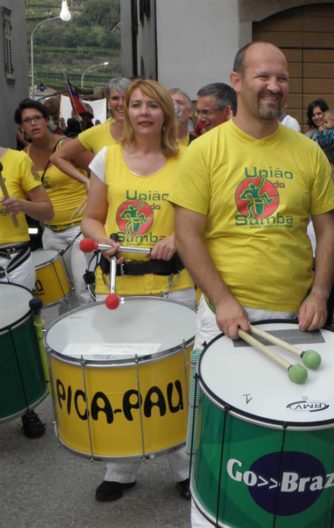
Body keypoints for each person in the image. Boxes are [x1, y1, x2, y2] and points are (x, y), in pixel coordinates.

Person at [169, 42, 334, 525]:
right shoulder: (204, 151)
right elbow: (187, 234)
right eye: (263, 76)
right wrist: (221, 301)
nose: (274, 86)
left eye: (282, 78)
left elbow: (328, 227)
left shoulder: (307, 151)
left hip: (297, 318)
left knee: (289, 436)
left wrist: (320, 293)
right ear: (238, 81)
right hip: (226, 319)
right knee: (218, 436)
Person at [81, 79, 195, 502]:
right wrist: (105, 236)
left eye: (152, 105)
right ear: (124, 111)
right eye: (136, 105)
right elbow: (90, 218)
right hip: (117, 286)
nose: (144, 112)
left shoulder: (189, 159)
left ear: (167, 112)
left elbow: (203, 221)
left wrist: (180, 239)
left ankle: (184, 465)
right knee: (121, 378)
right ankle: (121, 466)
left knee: (175, 381)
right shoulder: (106, 158)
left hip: (174, 287)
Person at [0, 146, 53, 439]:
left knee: (17, 336)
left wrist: (21, 205)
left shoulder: (17, 160)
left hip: (15, 258)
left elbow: (48, 209)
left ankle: (27, 406)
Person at [15, 99, 89, 302]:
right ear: (21, 128)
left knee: (83, 287)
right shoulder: (22, 157)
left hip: (80, 229)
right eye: (27, 121)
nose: (33, 124)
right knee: (59, 291)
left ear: (46, 120)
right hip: (51, 232)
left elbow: (100, 172)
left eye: (37, 118)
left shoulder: (67, 145)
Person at [51, 78, 131, 186]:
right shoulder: (97, 132)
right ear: (108, 104)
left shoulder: (147, 130)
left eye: (125, 98)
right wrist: (86, 182)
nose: (121, 103)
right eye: (115, 98)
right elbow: (57, 157)